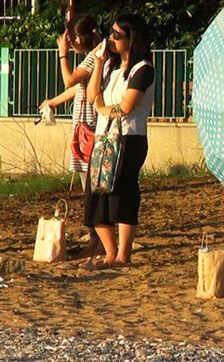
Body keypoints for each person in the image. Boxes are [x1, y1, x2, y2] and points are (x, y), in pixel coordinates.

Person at [83, 14, 155, 269]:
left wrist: (102, 107)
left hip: (128, 138)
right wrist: (100, 63)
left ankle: (123, 254)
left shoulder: (142, 68)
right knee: (97, 193)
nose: (110, 39)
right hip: (104, 138)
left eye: (116, 35)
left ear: (131, 39)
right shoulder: (113, 67)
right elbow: (92, 95)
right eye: (110, 33)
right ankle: (110, 252)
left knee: (123, 192)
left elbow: (127, 106)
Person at [39, 15, 103, 259]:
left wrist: (62, 54)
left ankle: (98, 239)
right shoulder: (96, 54)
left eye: (72, 40)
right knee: (88, 183)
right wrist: (53, 102)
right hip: (84, 126)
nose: (71, 44)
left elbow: (69, 80)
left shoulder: (95, 54)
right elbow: (77, 87)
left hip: (90, 126)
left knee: (91, 185)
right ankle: (96, 235)